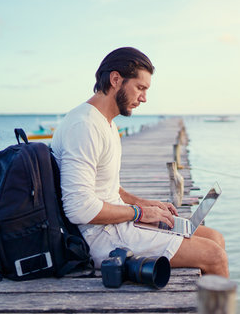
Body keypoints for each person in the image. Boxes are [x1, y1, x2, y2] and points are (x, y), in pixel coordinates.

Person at [51, 47, 229, 277]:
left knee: (215, 238)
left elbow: (107, 188)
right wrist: (139, 213)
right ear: (116, 79)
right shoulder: (84, 126)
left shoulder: (106, 123)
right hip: (98, 238)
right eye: (140, 88)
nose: (144, 98)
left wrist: (146, 204)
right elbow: (80, 209)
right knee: (214, 256)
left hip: (114, 225)